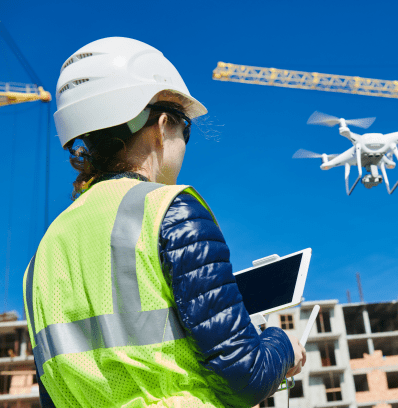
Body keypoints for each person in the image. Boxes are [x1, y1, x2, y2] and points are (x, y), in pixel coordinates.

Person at [23, 37, 306, 408]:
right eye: (185, 128)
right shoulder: (168, 210)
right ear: (161, 125)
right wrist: (283, 345)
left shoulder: (41, 258)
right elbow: (245, 375)